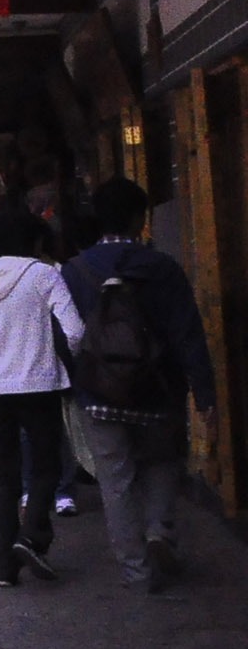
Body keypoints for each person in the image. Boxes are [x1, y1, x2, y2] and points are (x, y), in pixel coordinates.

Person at [63, 178, 218, 593]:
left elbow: (70, 336)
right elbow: (188, 332)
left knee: (116, 479)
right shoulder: (162, 267)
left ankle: (136, 570)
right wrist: (204, 393)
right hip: (159, 388)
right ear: (139, 218)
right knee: (164, 464)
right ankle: (158, 531)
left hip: (99, 393)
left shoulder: (76, 270)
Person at [0, 210, 84, 588]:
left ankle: (3, 568)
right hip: (39, 388)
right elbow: (74, 331)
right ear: (35, 241)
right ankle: (31, 537)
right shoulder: (44, 275)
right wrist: (67, 364)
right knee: (46, 469)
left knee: (4, 478)